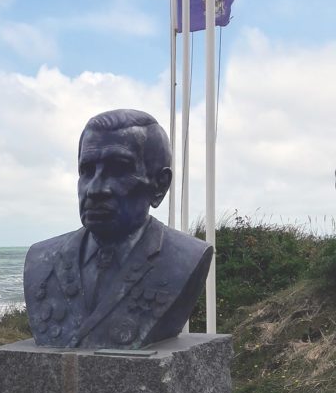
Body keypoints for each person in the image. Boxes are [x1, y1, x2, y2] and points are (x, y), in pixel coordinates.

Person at [24, 108, 212, 349]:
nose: (95, 189)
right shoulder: (40, 259)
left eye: (119, 170)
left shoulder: (186, 258)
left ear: (159, 186)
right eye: (87, 171)